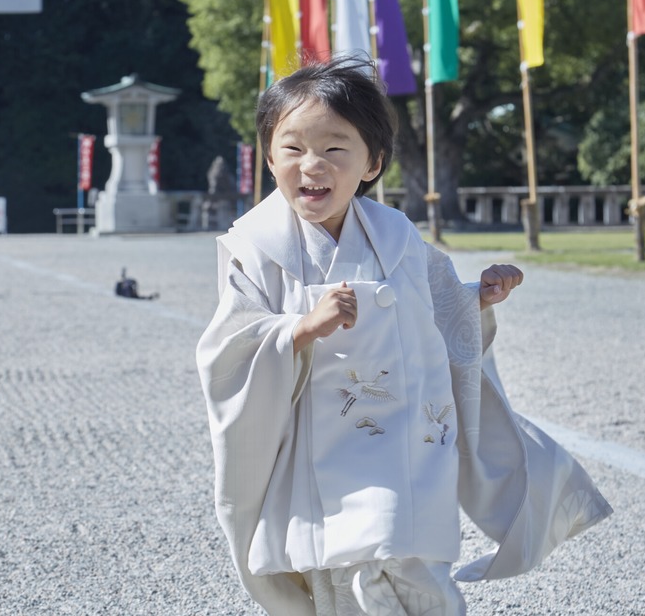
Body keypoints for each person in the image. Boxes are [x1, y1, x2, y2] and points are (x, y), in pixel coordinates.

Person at [195, 58, 611, 615]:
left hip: (407, 446)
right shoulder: (257, 246)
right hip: (320, 454)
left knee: (413, 567)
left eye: (334, 149)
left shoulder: (395, 235)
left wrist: (477, 299)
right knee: (343, 577)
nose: (311, 165)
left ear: (373, 163)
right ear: (269, 158)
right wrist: (298, 329)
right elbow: (228, 350)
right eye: (292, 148)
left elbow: (436, 308)